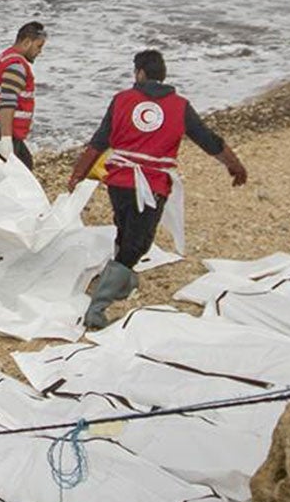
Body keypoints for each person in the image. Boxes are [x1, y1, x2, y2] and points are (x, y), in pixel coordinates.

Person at [65, 48, 247, 329]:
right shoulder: (180, 106)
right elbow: (208, 140)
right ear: (163, 75)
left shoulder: (121, 100)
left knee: (126, 229)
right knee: (138, 243)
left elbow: (99, 141)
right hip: (152, 183)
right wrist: (234, 165)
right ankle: (98, 306)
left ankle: (121, 280)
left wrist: (78, 173)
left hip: (118, 181)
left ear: (139, 73)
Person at [0, 21, 48, 169]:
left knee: (23, 165)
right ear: (27, 42)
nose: (40, 52)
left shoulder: (4, 58)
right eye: (39, 46)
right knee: (18, 174)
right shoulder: (16, 66)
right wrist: (6, 139)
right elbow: (7, 102)